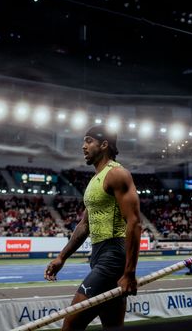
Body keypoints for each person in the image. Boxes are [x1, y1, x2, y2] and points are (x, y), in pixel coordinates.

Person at [44, 125, 141, 330]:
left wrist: (130, 272)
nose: (83, 146)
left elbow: (134, 222)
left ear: (104, 144)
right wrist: (62, 257)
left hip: (112, 257)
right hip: (99, 254)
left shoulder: (117, 174)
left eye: (88, 141)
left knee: (70, 327)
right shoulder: (94, 181)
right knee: (112, 327)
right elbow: (84, 225)